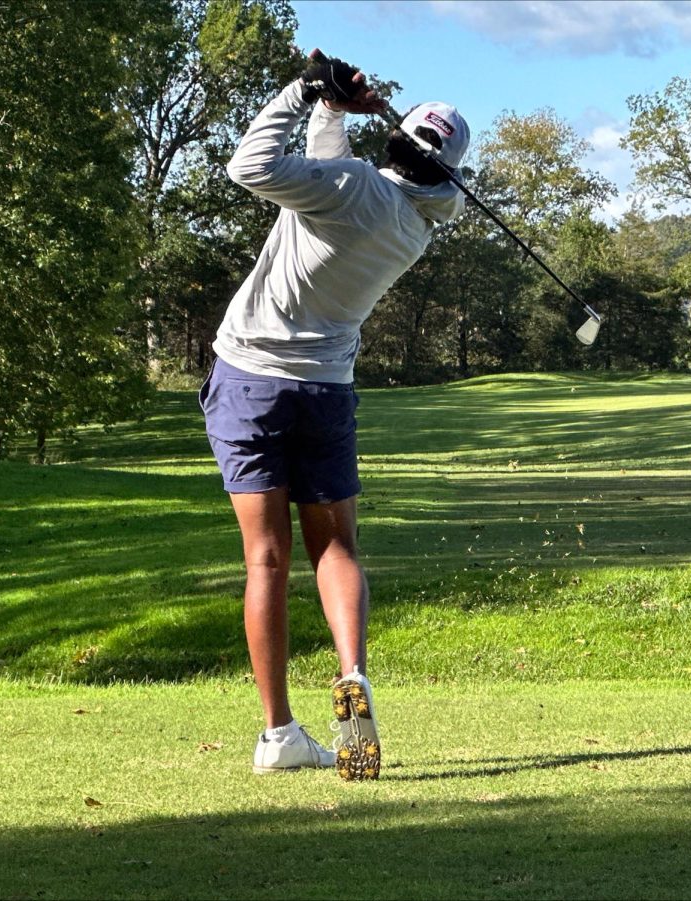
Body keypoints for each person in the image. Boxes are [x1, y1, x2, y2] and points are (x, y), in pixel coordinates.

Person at [199, 51, 470, 778]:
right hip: (325, 392)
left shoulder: (348, 186)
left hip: (250, 383)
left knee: (265, 558)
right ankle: (351, 669)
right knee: (336, 548)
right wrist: (333, 110)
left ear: (394, 143)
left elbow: (248, 168)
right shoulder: (414, 225)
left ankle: (279, 733)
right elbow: (343, 170)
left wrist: (300, 91)